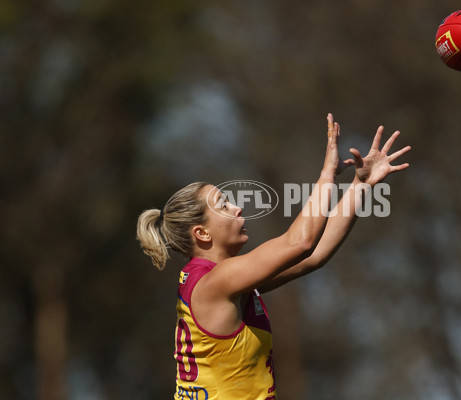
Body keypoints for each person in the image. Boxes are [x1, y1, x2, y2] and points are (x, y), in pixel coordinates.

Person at [136, 113, 411, 400]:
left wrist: (361, 185)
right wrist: (326, 174)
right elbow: (301, 242)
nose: (237, 208)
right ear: (202, 234)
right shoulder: (216, 282)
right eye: (223, 205)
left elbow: (313, 255)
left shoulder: (224, 280)